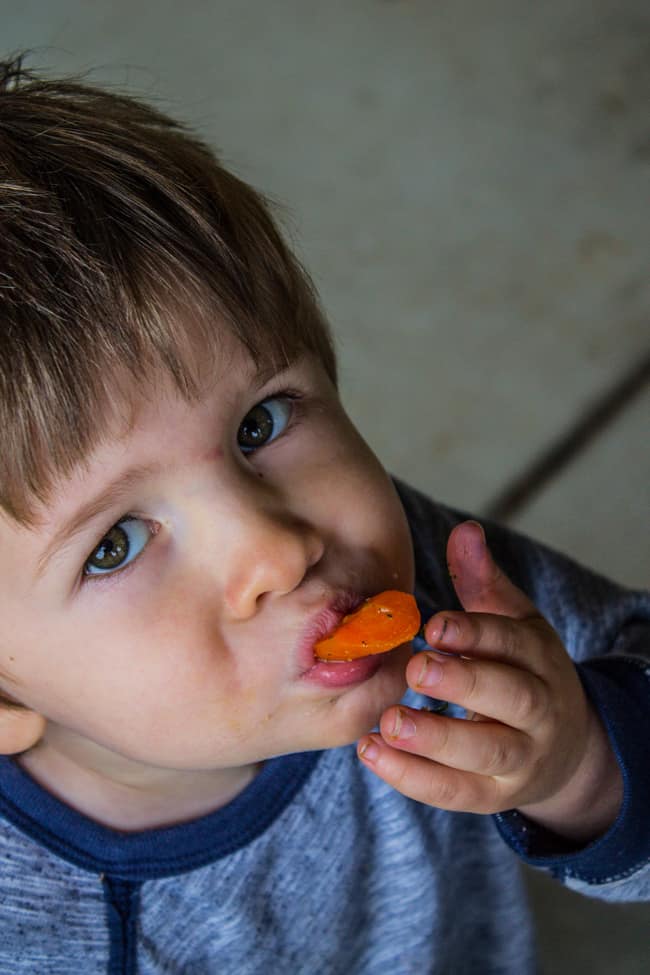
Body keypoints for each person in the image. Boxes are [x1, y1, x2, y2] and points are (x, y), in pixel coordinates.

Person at [0, 56, 647, 975]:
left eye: (258, 423)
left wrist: (579, 764)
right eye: (114, 543)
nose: (278, 547)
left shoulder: (453, 607)